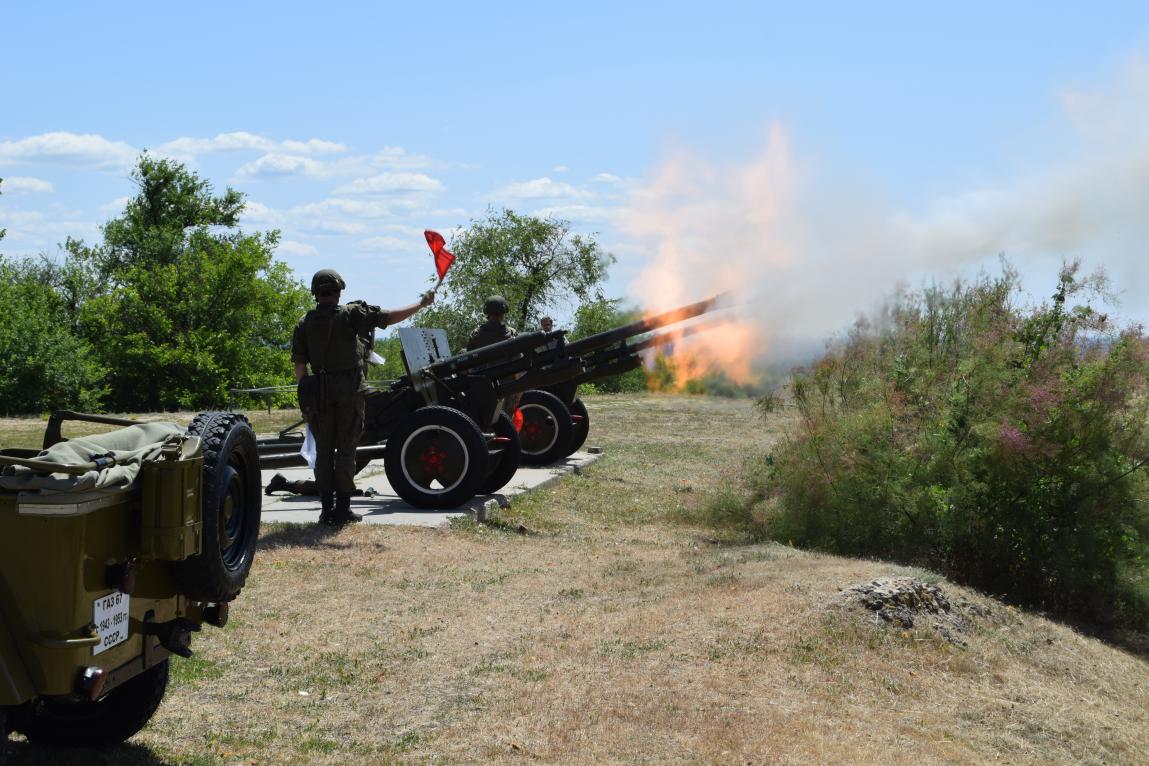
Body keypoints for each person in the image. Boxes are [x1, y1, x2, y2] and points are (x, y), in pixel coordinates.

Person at [291, 269, 433, 525]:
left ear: (315, 292)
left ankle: (326, 510)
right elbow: (387, 318)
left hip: (318, 393)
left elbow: (300, 367)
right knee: (346, 449)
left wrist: (306, 401)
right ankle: (343, 509)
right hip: (349, 390)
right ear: (338, 290)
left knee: (324, 452)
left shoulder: (304, 323)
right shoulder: (351, 314)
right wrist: (420, 304)